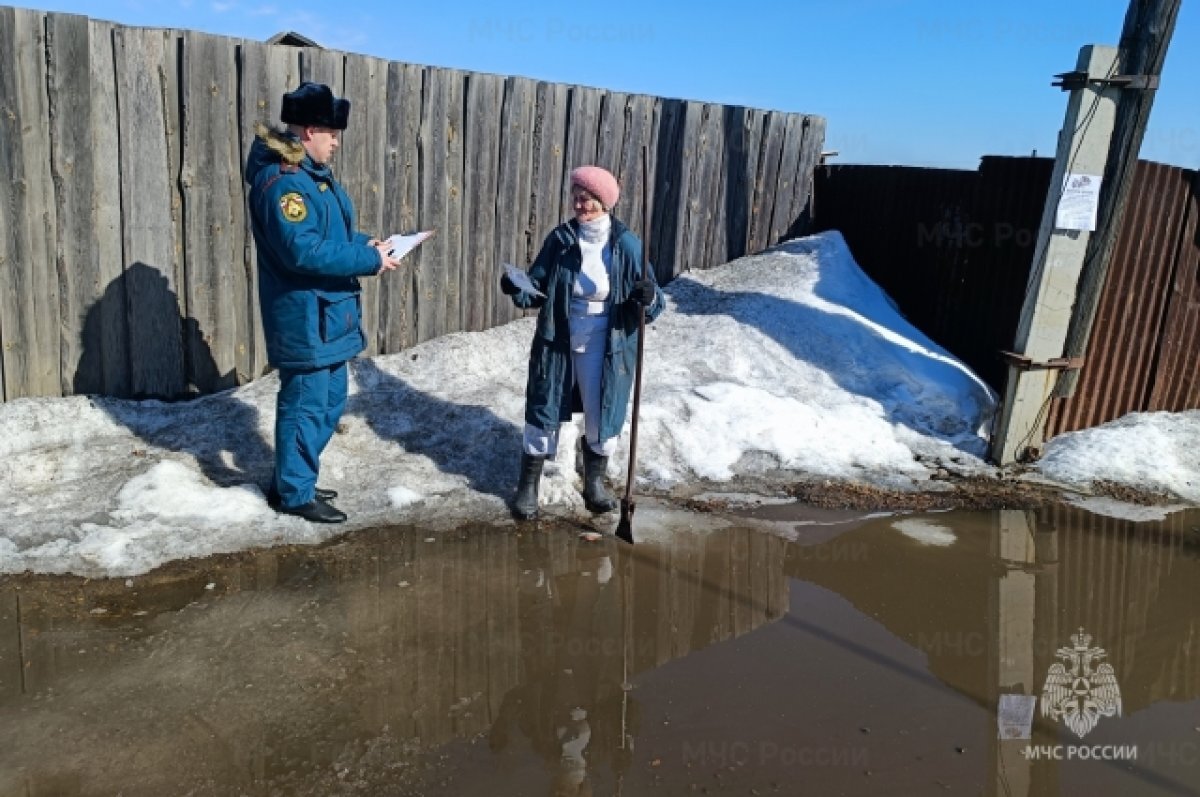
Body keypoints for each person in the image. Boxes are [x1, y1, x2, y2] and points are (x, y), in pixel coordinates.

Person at [245, 81, 401, 523]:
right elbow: (303, 251)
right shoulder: (285, 184)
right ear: (310, 130)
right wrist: (367, 259)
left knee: (328, 400)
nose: (335, 143)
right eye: (332, 134)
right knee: (306, 403)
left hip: (327, 314)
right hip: (305, 315)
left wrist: (363, 243)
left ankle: (297, 478)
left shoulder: (314, 179)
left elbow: (325, 237)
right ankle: (293, 494)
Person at [501, 165, 665, 520]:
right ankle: (527, 486)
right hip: (557, 337)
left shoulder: (626, 245)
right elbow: (537, 289)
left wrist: (646, 297)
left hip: (607, 343)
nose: (580, 203)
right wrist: (518, 287)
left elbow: (655, 305)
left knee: (601, 409)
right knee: (543, 406)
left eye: (588, 197)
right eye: (576, 195)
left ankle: (595, 482)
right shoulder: (560, 241)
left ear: (604, 202)